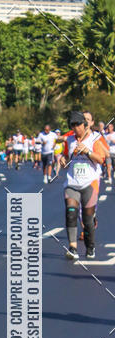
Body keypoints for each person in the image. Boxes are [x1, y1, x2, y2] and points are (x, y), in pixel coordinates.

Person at [61, 111, 107, 260]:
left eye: (78, 125)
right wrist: (63, 160)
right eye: (72, 125)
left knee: (87, 220)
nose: (75, 128)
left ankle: (90, 246)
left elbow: (100, 159)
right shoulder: (69, 140)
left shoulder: (95, 139)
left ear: (85, 125)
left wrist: (87, 151)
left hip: (89, 183)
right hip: (72, 182)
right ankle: (72, 248)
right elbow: (66, 158)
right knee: (71, 213)